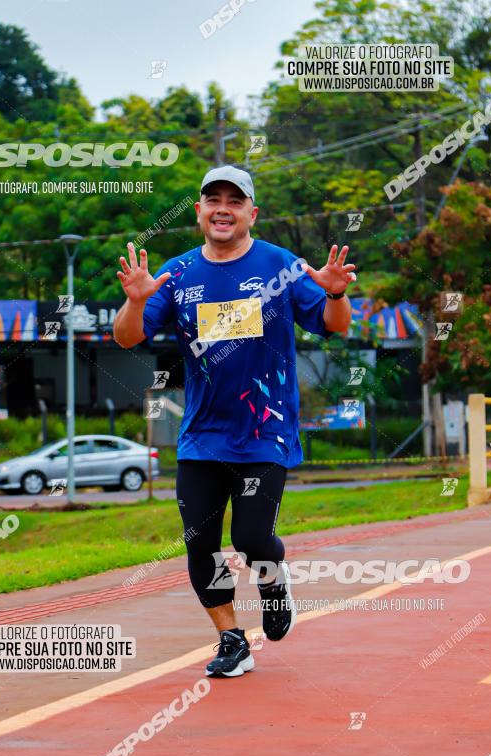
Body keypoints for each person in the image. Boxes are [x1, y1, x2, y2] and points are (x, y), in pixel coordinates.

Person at [113, 165, 354, 678]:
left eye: (234, 200)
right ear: (199, 210)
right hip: (202, 436)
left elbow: (334, 326)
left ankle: (273, 580)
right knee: (201, 543)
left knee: (250, 538)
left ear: (251, 213)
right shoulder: (175, 275)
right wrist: (134, 302)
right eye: (212, 199)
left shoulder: (281, 265)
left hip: (266, 430)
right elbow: (126, 338)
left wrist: (335, 294)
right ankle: (231, 639)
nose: (222, 208)